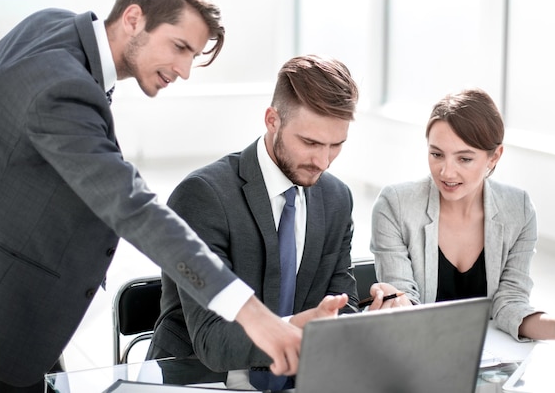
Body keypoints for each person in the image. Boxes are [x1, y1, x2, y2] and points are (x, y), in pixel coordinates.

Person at [0, 0, 301, 392]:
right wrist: (251, 313)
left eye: (192, 55)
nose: (184, 70)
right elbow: (134, 208)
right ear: (134, 18)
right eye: (179, 47)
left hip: (31, 313)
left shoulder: (51, 26)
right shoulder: (61, 89)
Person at [146, 54, 404, 391]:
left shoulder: (336, 199)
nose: (322, 161)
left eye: (336, 145)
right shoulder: (204, 196)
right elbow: (211, 340)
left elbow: (339, 305)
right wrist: (296, 327)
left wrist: (367, 324)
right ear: (272, 120)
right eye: (310, 142)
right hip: (205, 381)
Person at [370, 88, 555, 354]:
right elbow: (403, 297)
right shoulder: (395, 205)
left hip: (485, 359)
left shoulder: (519, 210)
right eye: (436, 154)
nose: (446, 171)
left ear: (494, 156)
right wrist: (395, 302)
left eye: (464, 158)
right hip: (418, 351)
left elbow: (510, 303)